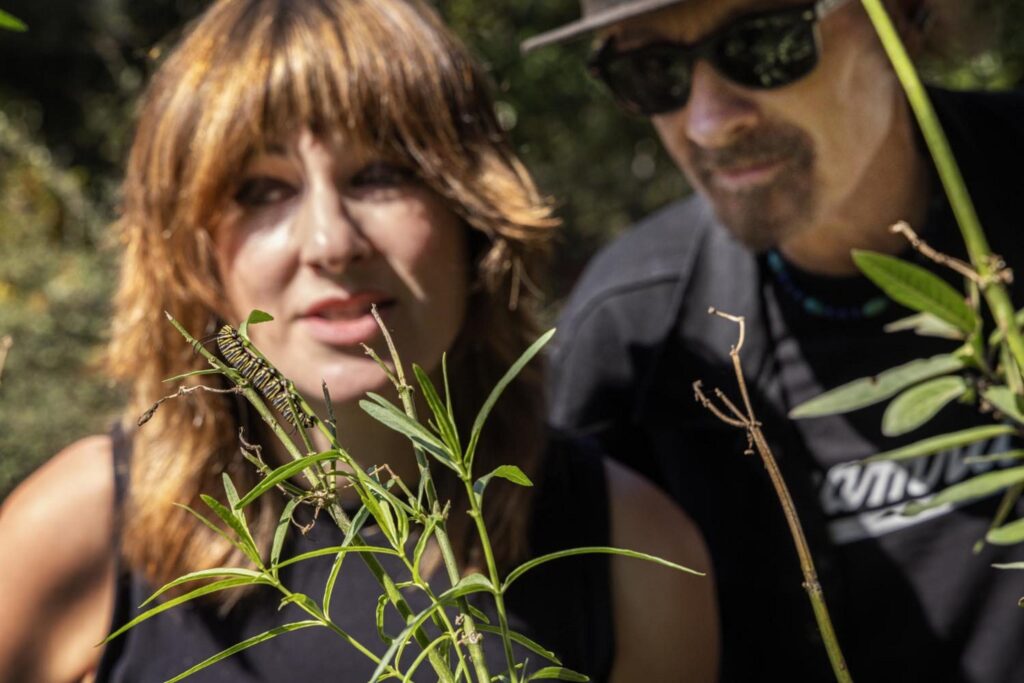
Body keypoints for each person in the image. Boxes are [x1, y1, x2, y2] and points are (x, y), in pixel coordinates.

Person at [0, 1, 720, 681]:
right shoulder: (75, 532)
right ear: (190, 252)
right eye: (261, 189)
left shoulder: (636, 552)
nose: (331, 242)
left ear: (476, 214)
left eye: (380, 176)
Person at [524, 0, 1024, 681]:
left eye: (765, 44)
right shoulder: (632, 341)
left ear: (905, 15)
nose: (708, 121)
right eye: (651, 70)